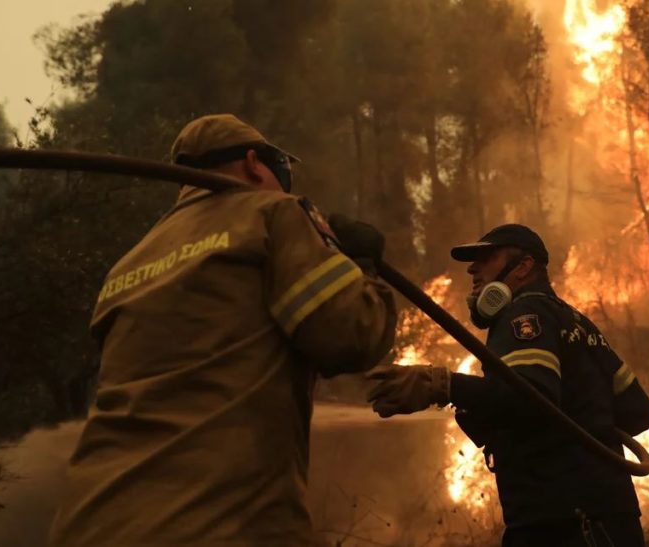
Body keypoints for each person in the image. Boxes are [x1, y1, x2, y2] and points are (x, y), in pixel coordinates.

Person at [48, 114, 397, 546]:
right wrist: (361, 267)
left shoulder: (129, 263)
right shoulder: (271, 213)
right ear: (253, 163)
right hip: (218, 525)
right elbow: (351, 336)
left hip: (90, 524)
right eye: (281, 170)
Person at [367, 224, 649, 546]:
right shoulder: (576, 322)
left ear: (523, 266)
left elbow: (530, 398)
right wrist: (581, 425)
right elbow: (639, 411)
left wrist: (442, 385)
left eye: (487, 258)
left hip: (561, 524)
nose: (472, 269)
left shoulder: (523, 314)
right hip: (612, 519)